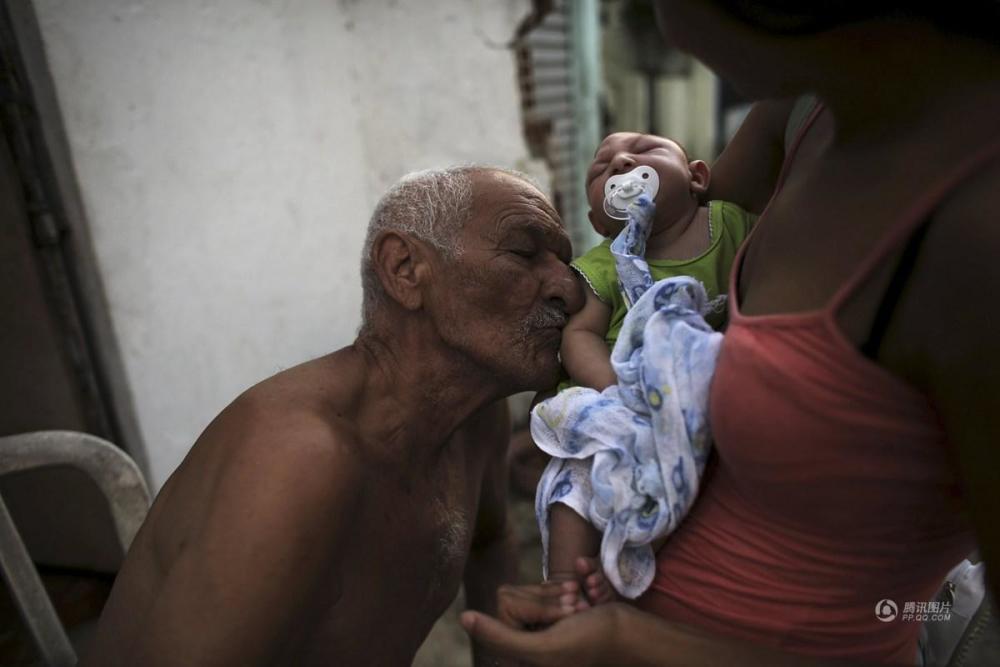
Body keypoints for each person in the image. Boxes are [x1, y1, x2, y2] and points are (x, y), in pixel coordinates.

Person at [463, 1, 1000, 664]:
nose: (659, 22)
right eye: (603, 164)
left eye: (641, 151)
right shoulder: (802, 118)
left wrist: (632, 639)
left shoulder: (974, 234)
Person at [80, 166, 584, 666]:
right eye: (524, 253)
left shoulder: (476, 421)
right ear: (405, 269)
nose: (570, 287)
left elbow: (489, 546)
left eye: (563, 261)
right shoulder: (298, 458)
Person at [544, 132, 755, 601]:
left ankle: (630, 556)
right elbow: (579, 337)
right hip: (620, 393)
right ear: (600, 222)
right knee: (575, 469)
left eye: (644, 150)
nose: (620, 162)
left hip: (696, 389)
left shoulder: (731, 225)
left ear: (698, 178)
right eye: (600, 172)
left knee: (686, 473)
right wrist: (616, 387)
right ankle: (563, 583)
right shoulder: (602, 265)